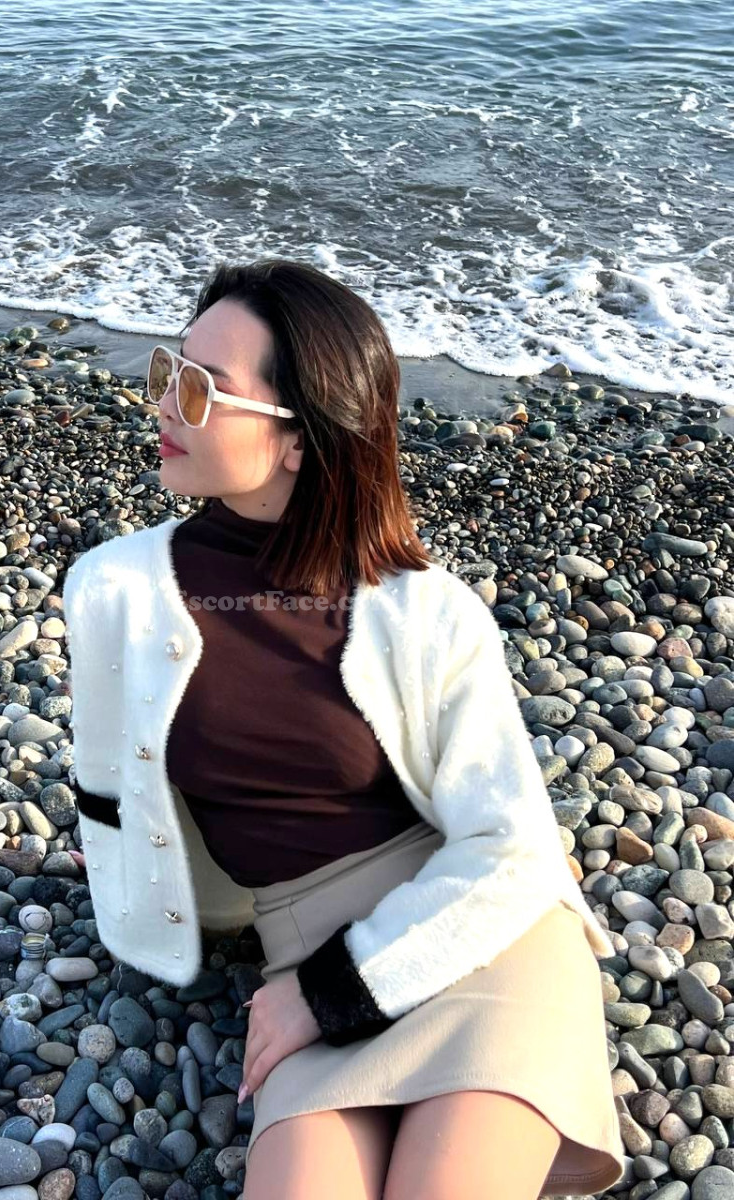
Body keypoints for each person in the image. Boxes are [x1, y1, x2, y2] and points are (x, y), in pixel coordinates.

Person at [65, 257, 626, 1199]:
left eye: (201, 387)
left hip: (481, 935)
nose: (162, 402)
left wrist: (328, 995)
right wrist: (137, 875)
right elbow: (116, 790)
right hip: (304, 942)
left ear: (297, 437)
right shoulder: (111, 590)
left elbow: (514, 850)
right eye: (167, 370)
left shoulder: (429, 611)